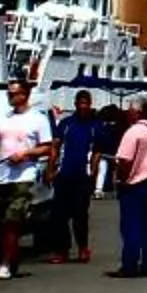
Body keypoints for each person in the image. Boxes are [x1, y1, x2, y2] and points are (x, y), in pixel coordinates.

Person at [0, 80, 53, 280]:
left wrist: (26, 153)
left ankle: (5, 264)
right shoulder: (2, 119)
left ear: (25, 95)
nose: (10, 97)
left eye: (14, 94)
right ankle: (12, 256)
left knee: (12, 220)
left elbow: (47, 147)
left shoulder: (38, 119)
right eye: (9, 94)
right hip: (1, 176)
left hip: (23, 176)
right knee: (0, 222)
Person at [49, 89, 107, 265]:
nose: (83, 106)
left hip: (83, 175)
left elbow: (97, 152)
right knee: (59, 215)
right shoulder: (66, 124)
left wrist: (94, 175)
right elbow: (56, 146)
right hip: (64, 173)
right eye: (80, 103)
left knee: (80, 215)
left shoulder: (95, 126)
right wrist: (51, 169)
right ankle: (62, 250)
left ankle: (83, 247)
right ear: (75, 104)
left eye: (86, 103)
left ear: (90, 105)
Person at [109, 95, 147, 278]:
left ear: (137, 112)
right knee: (146, 225)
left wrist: (119, 179)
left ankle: (129, 264)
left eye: (129, 111)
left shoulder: (133, 132)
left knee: (130, 225)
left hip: (133, 183)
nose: (127, 114)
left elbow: (124, 160)